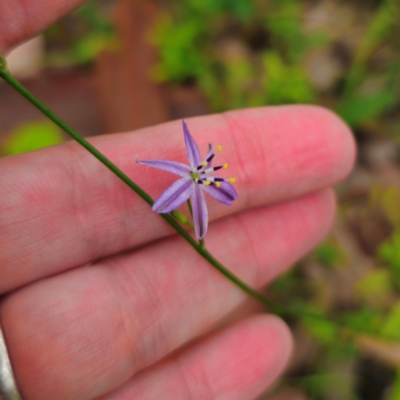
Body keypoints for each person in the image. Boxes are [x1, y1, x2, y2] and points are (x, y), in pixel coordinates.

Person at [0, 1, 356, 399]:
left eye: (204, 175)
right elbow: (167, 183)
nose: (203, 175)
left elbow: (202, 206)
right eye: (201, 171)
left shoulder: (200, 197)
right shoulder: (185, 179)